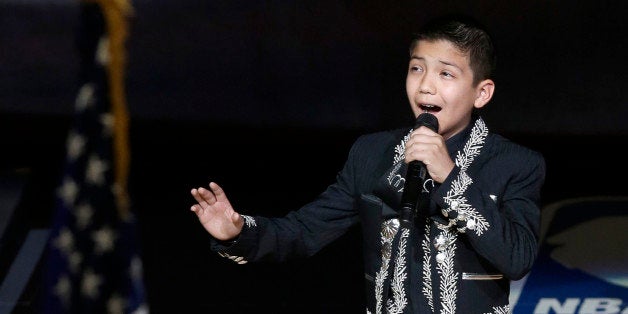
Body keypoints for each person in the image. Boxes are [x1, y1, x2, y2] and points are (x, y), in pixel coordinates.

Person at [190, 14, 545, 313]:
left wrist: (449, 176)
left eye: (445, 74)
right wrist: (239, 232)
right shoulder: (372, 153)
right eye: (416, 68)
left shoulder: (514, 164)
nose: (425, 86)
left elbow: (517, 258)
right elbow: (305, 231)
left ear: (481, 92)